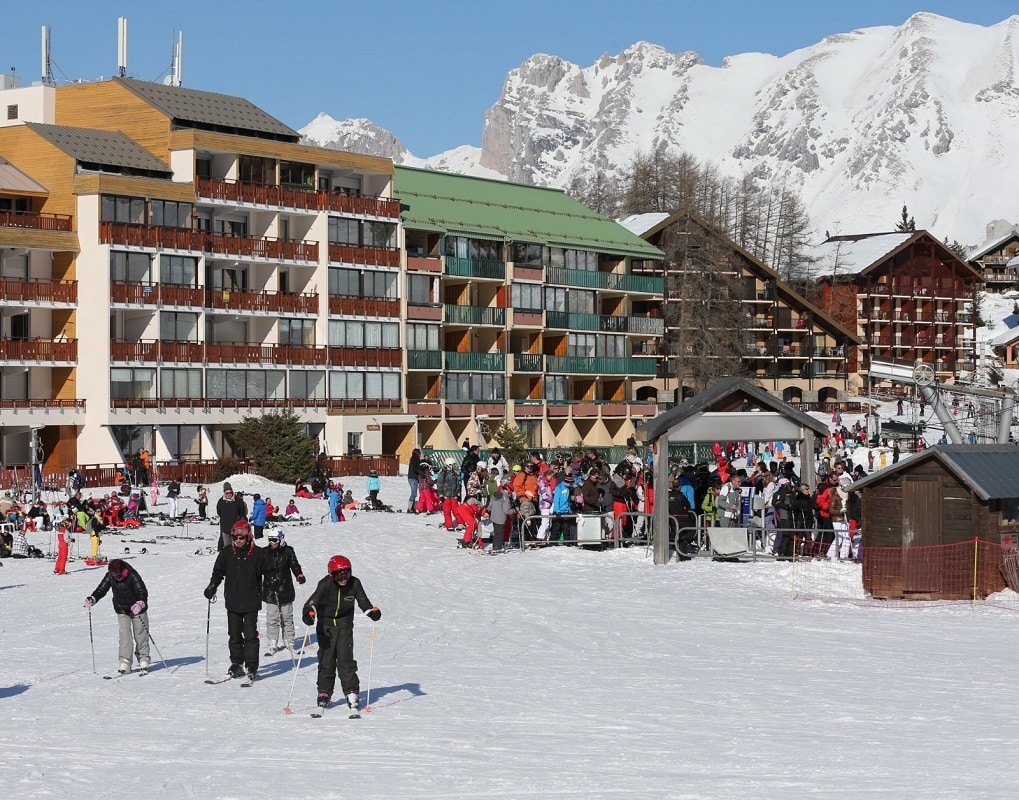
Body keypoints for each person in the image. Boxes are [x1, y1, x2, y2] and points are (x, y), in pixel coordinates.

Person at [302, 555, 381, 715]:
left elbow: (363, 601)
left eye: (346, 574)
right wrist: (308, 614)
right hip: (326, 626)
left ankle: (351, 693)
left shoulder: (355, 583)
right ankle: (324, 692)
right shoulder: (325, 584)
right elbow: (311, 603)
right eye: (339, 575)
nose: (344, 579)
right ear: (332, 575)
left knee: (345, 659)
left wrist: (372, 612)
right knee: (326, 659)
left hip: (345, 625)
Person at [203, 520, 268, 682]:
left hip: (251, 600)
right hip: (233, 600)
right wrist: (212, 587)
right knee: (234, 634)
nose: (238, 540)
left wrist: (272, 586)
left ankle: (251, 666)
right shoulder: (227, 553)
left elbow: (269, 572)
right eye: (235, 537)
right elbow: (218, 572)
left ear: (248, 537)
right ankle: (237, 663)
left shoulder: (258, 554)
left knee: (250, 635)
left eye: (241, 537)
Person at [84, 558, 150, 674]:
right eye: (113, 575)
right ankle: (125, 662)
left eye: (118, 575)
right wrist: (93, 598)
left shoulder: (132, 574)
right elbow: (101, 589)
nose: (116, 577)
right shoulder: (111, 576)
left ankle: (143, 659)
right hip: (121, 609)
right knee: (125, 636)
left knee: (140, 634)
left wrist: (140, 603)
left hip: (137, 609)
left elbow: (142, 591)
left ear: (123, 571)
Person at [262, 530, 306, 655]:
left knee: (287, 617)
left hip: (285, 589)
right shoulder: (265, 552)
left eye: (274, 540)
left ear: (281, 540)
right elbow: (259, 568)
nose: (272, 543)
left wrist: (299, 574)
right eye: (270, 540)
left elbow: (294, 565)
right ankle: (273, 641)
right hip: (270, 590)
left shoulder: (288, 551)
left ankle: (289, 640)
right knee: (272, 617)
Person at [216, 482, 248, 550]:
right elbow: (219, 512)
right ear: (224, 493)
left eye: (230, 492)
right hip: (225, 528)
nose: (229, 494)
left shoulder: (238, 501)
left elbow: (242, 512)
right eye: (227, 493)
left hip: (236, 529)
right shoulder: (221, 501)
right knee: (227, 547)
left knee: (236, 546)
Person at [436, 458, 462, 531]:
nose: (454, 466)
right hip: (446, 497)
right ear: (449, 465)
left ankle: (461, 523)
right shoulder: (442, 474)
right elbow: (439, 485)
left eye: (454, 465)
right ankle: (449, 525)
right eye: (453, 465)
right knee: (447, 512)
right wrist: (441, 495)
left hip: (454, 496)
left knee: (456, 511)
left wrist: (459, 495)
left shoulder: (456, 474)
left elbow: (458, 486)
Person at [407, 448, 422, 513]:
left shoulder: (413, 459)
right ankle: (409, 508)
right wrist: (420, 472)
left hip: (411, 477)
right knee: (414, 493)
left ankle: (412, 507)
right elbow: (415, 468)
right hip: (413, 477)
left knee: (414, 493)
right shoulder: (415, 459)